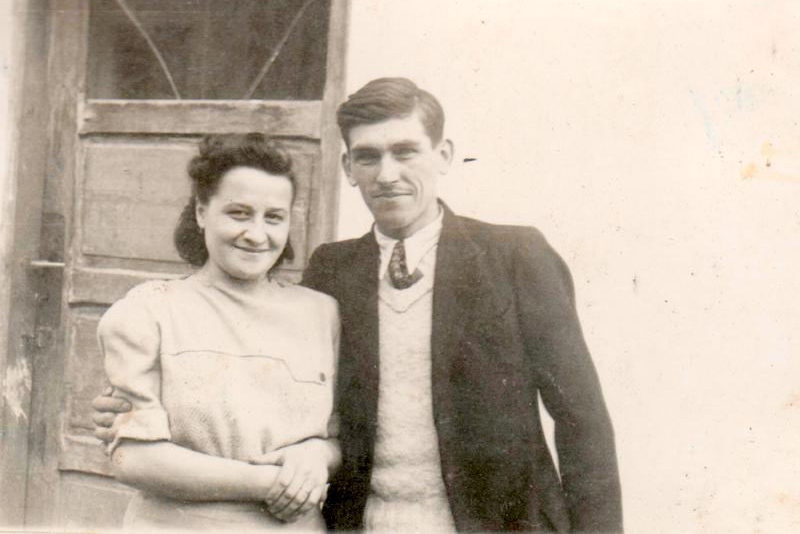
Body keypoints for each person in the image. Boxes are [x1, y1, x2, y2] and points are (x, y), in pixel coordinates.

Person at [95, 79, 622, 532]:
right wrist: (131, 408)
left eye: (405, 151)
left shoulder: (515, 255)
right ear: (348, 167)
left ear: (443, 155)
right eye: (368, 156)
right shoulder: (332, 270)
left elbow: (582, 419)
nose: (387, 173)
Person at [95, 133, 340, 530]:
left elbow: (340, 435)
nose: (257, 234)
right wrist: (270, 482)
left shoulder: (321, 313)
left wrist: (316, 456)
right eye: (239, 213)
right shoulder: (148, 310)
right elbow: (133, 458)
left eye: (273, 217)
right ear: (201, 213)